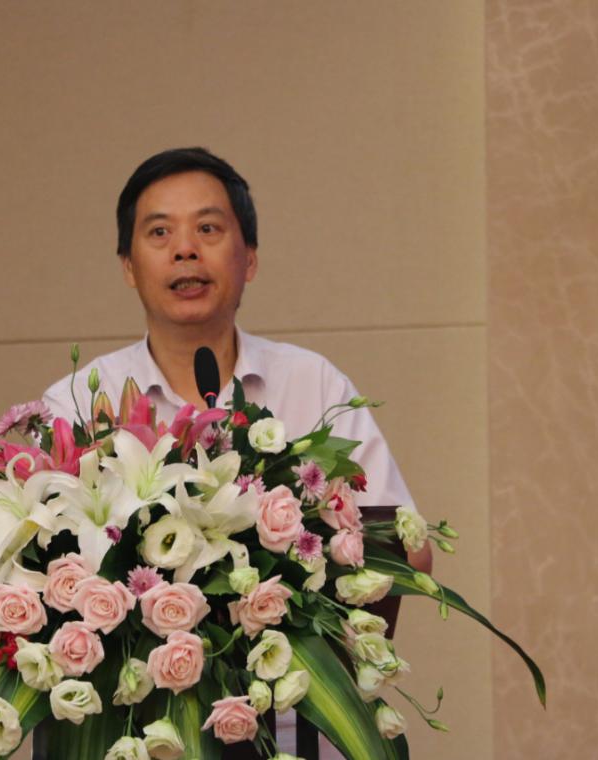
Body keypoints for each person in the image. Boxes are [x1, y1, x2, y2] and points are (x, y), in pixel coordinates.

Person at [40, 147, 432, 758]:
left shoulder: (312, 386)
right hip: (134, 736)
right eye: (160, 232)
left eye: (208, 228)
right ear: (128, 266)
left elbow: (405, 548)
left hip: (293, 733)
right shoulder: (78, 402)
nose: (185, 250)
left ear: (249, 258)